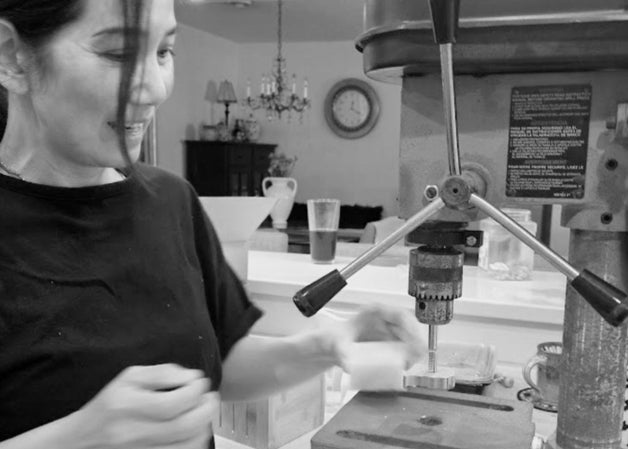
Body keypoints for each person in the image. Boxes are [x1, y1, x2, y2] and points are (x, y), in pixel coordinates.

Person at [0, 1, 425, 448]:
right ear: (12, 56)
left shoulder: (170, 201)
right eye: (119, 55)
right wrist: (78, 438)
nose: (155, 89)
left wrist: (324, 346)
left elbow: (220, 363)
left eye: (164, 52)